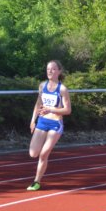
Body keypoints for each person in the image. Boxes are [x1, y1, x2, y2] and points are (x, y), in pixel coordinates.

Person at [27, 60, 72, 191]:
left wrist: (51, 109)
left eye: (53, 69)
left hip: (55, 124)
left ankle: (36, 181)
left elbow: (68, 110)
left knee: (43, 154)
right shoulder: (42, 86)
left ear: (59, 71)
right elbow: (38, 104)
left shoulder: (62, 89)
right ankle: (39, 175)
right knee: (33, 153)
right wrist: (33, 120)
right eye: (48, 69)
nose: (50, 71)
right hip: (42, 122)